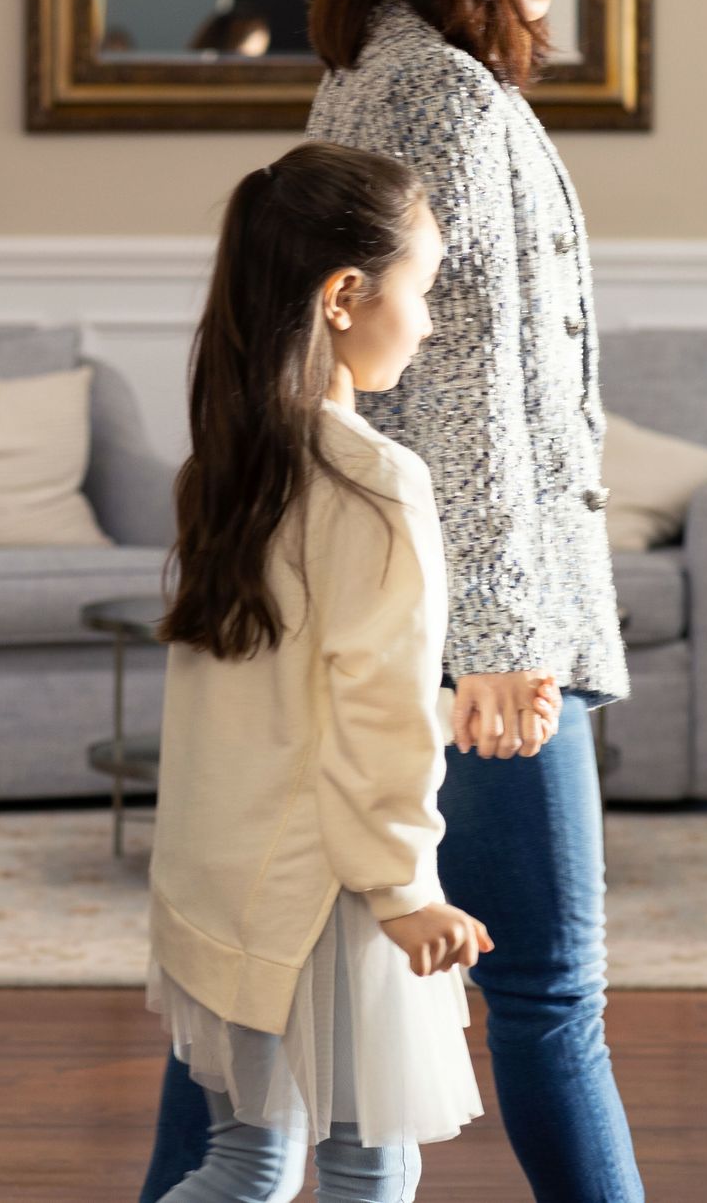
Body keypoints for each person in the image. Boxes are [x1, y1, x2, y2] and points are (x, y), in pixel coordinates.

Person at [141, 0, 644, 1202]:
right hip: (475, 621)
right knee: (551, 988)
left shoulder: (384, 62)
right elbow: (464, 376)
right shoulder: (444, 95)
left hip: (427, 596)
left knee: (254, 1033)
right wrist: (495, 639)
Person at [148, 141, 511, 1202]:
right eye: (423, 290)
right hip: (327, 892)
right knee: (364, 1169)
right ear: (346, 294)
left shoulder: (221, 466)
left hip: (221, 876)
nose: (431, 320)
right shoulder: (375, 483)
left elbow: (290, 694)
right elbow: (373, 711)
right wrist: (404, 886)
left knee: (245, 1162)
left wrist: (461, 698)